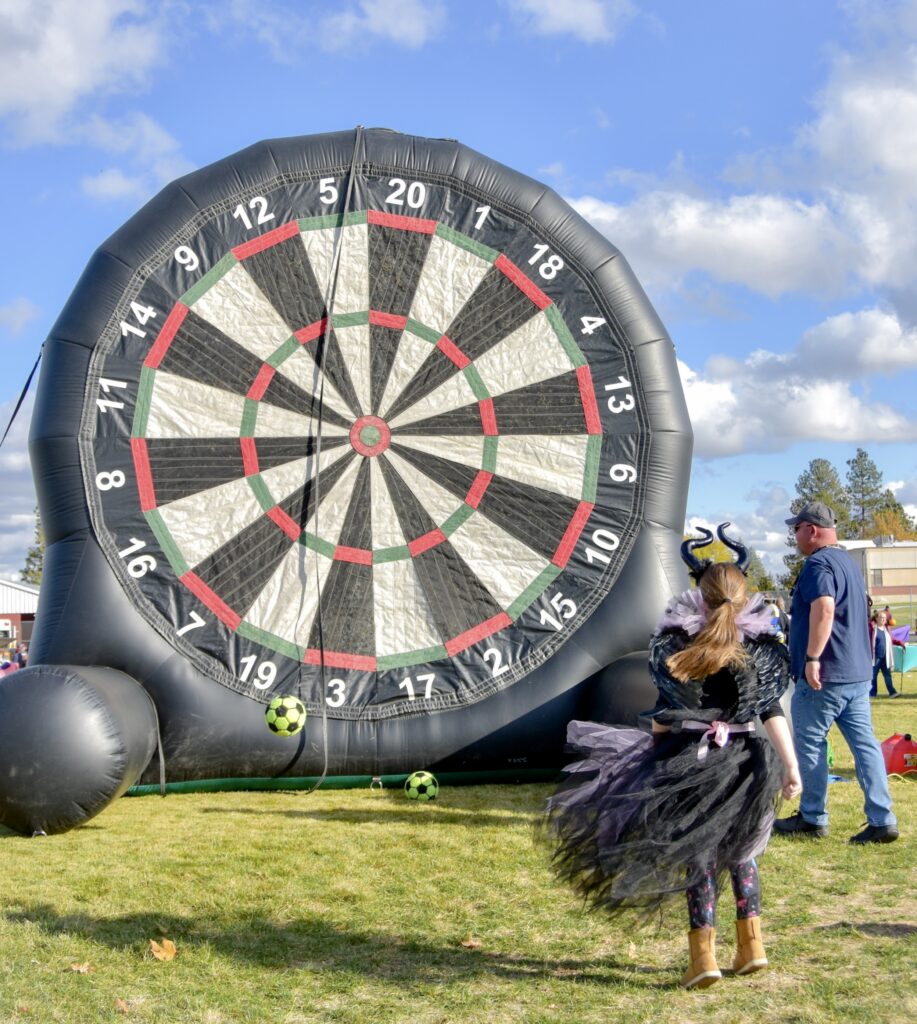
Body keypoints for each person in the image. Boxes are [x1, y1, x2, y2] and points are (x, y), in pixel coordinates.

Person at [543, 524, 800, 990]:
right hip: (749, 761)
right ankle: (752, 946)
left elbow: (665, 715)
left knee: (697, 856)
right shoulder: (760, 651)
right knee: (743, 854)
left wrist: (656, 751)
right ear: (744, 599)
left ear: (699, 597)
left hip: (692, 761)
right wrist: (792, 766)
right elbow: (771, 710)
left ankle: (703, 958)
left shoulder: (677, 647)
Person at [774, 501, 898, 844]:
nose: (795, 536)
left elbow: (825, 607)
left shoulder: (818, 563)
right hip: (857, 674)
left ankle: (812, 817)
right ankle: (882, 818)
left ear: (812, 530)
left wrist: (812, 657)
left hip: (824, 674)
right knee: (866, 747)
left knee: (810, 743)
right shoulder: (846, 562)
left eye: (796, 529)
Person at [869, 610, 903, 698]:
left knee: (887, 675)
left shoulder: (887, 629)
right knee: (873, 676)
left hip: (885, 658)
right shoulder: (872, 629)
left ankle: (892, 693)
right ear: (876, 618)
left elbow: (892, 639)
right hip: (875, 658)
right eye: (881, 617)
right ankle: (872, 693)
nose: (883, 619)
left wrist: (900, 643)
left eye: (884, 618)